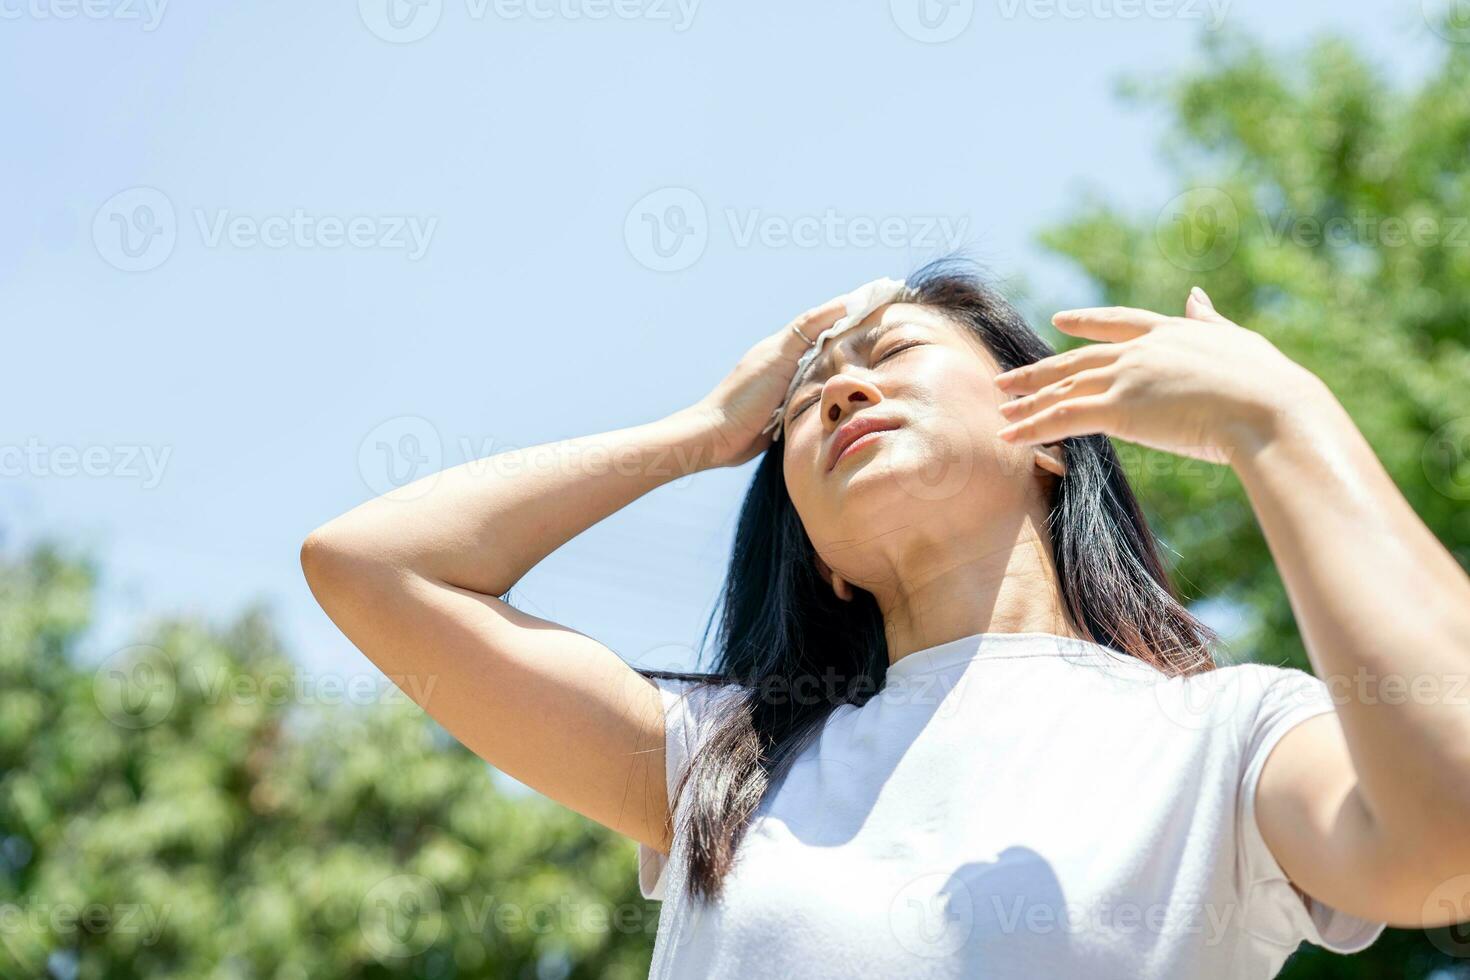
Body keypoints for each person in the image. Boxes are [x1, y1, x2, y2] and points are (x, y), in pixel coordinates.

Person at [301, 259, 1470, 978]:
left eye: (893, 354)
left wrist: (1282, 421)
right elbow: (371, 566)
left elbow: (1450, 831)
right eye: (810, 400)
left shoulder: (1229, 736)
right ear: (819, 556)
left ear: (1053, 436)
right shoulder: (722, 759)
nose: (843, 387)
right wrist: (705, 431)